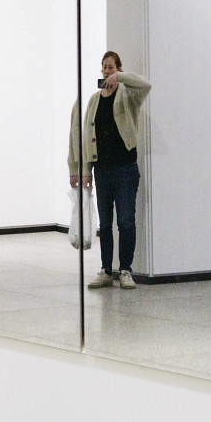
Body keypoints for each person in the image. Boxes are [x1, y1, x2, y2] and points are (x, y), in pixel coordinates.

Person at [72, 51, 152, 290]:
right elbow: (87, 136)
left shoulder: (128, 95)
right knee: (105, 224)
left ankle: (125, 270)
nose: (106, 71)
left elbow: (146, 85)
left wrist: (121, 78)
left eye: (111, 67)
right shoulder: (94, 100)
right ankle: (106, 270)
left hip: (125, 169)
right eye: (104, 68)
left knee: (126, 221)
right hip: (102, 170)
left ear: (118, 68)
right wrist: (84, 170)